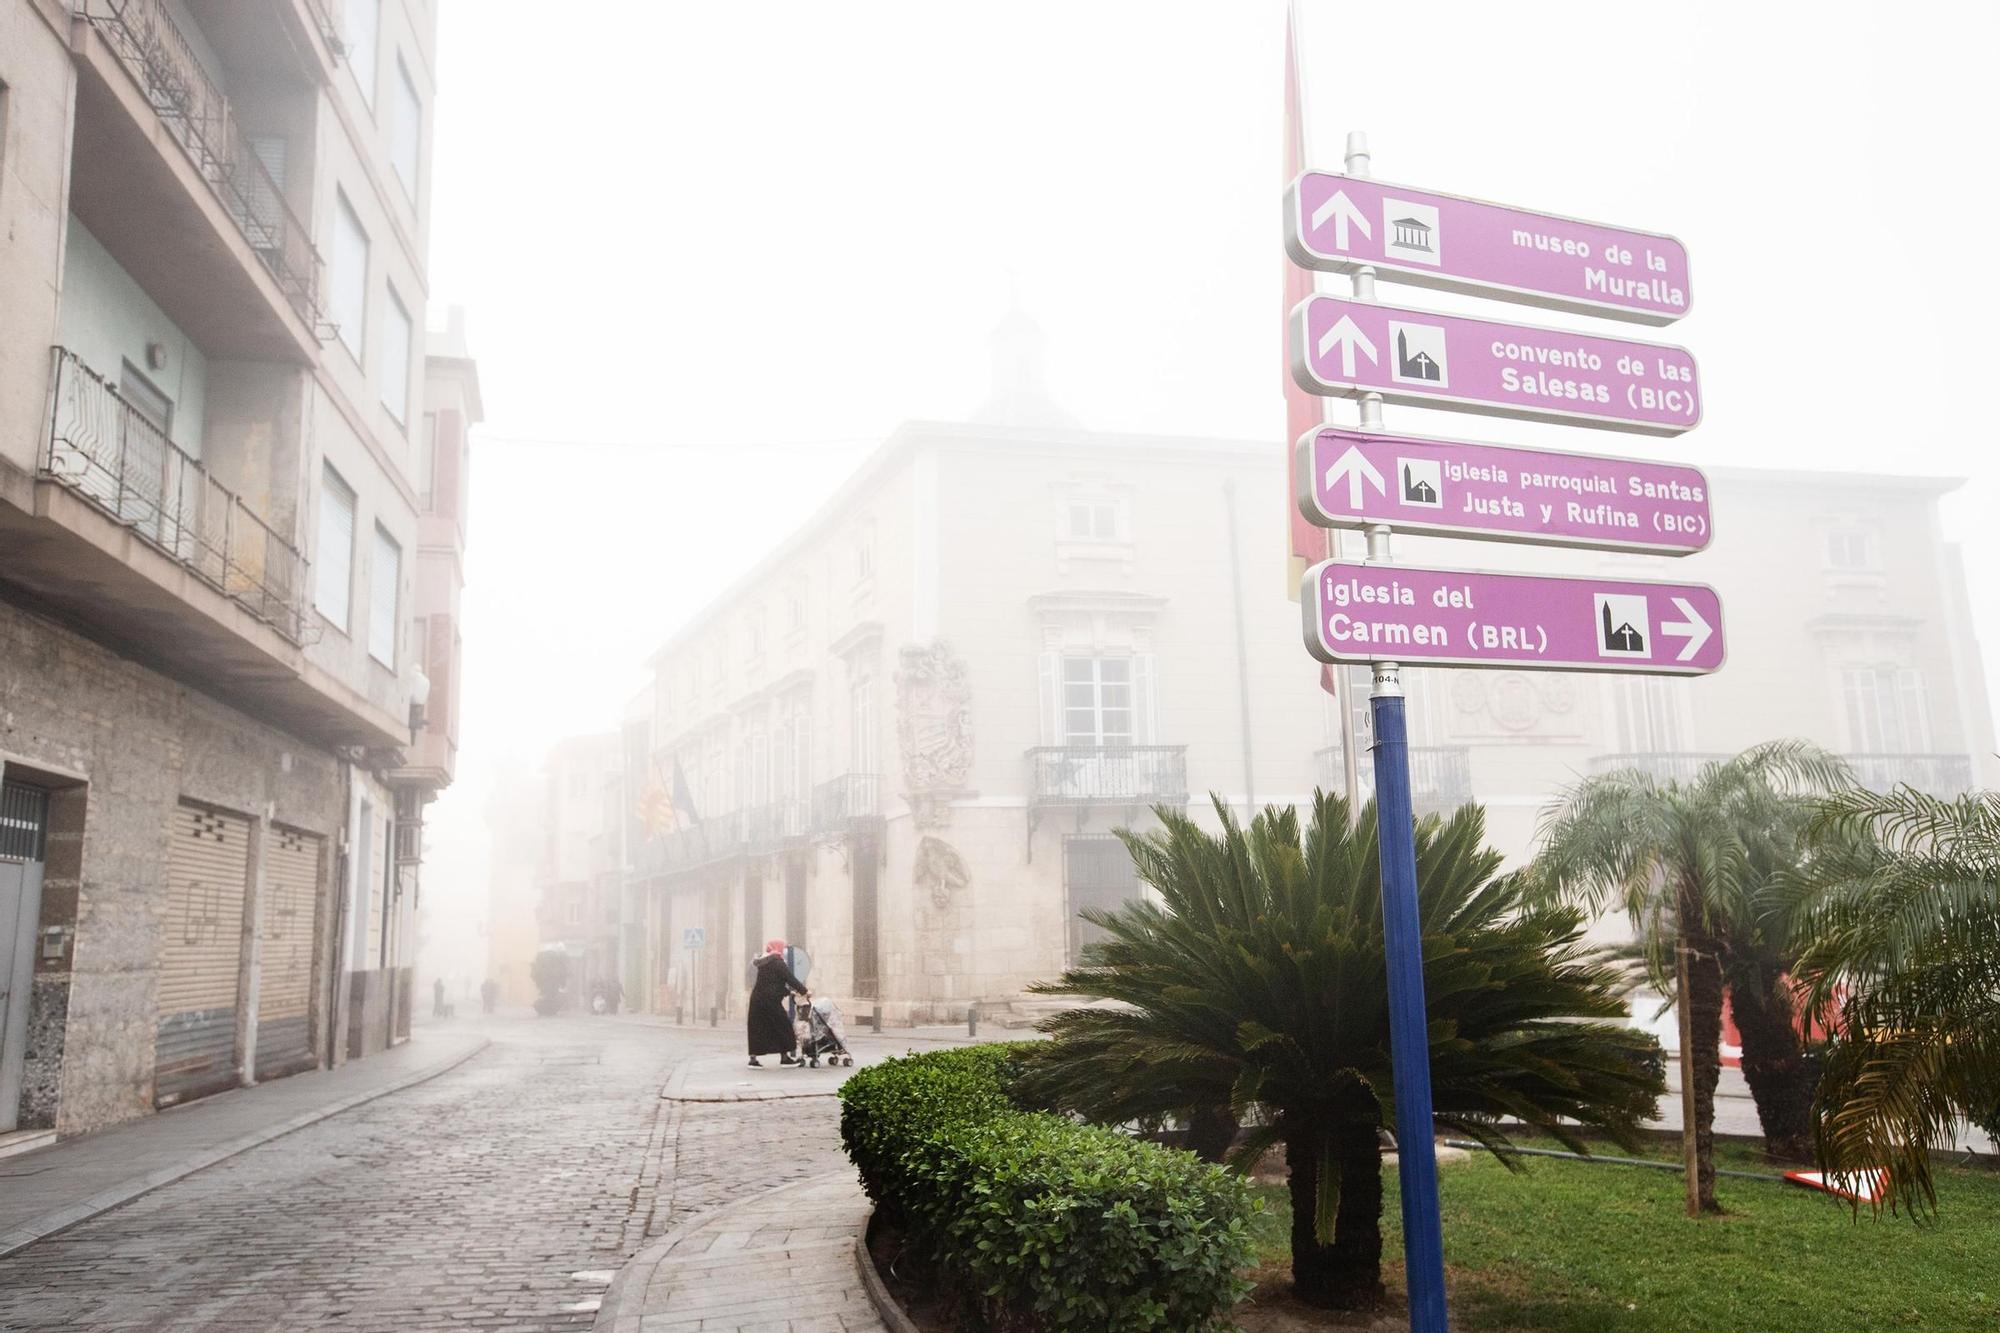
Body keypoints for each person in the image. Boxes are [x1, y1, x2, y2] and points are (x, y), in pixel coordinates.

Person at [746, 937, 808, 1068]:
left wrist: (787, 992)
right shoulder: (777, 962)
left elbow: (771, 982)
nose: (784, 950)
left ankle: (753, 1060)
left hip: (757, 999)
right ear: (778, 948)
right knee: (783, 1026)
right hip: (770, 1001)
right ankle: (785, 1058)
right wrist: (804, 991)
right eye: (783, 948)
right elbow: (790, 979)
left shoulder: (762, 962)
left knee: (757, 1028)